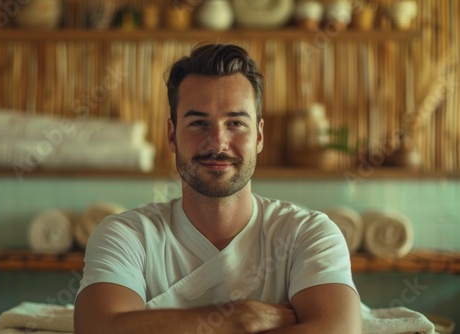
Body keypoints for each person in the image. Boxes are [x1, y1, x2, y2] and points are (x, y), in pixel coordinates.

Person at [74, 42, 361, 333]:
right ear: (172, 136)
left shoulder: (306, 234)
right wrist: (235, 318)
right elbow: (99, 328)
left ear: (259, 137)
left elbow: (339, 330)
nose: (218, 143)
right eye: (199, 123)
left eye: (235, 123)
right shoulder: (127, 236)